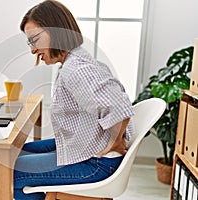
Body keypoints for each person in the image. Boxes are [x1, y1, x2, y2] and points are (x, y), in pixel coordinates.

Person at [14, 0, 134, 199]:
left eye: (35, 39)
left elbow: (119, 108)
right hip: (88, 148)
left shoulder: (76, 70)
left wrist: (114, 142)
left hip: (96, 164)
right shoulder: (75, 60)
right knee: (17, 153)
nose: (33, 50)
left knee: (13, 172)